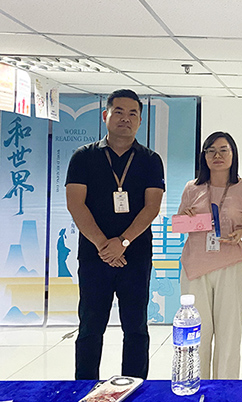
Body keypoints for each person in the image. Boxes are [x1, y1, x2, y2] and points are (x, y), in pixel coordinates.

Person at [66, 89, 165, 380]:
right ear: (105, 115)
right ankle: (84, 388)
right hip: (94, 256)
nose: (126, 118)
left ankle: (134, 388)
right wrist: (103, 245)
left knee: (136, 328)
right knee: (90, 327)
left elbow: (152, 207)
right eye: (119, 112)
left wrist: (122, 242)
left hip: (135, 255)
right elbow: (75, 203)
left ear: (140, 121)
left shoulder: (150, 160)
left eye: (133, 113)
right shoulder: (83, 157)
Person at [177, 132, 242, 380]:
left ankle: (225, 390)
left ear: (233, 155)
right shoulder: (192, 188)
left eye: (224, 150)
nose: (217, 155)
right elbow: (179, 224)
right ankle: (194, 386)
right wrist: (187, 217)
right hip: (195, 269)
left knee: (229, 336)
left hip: (230, 267)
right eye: (211, 150)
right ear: (204, 156)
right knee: (196, 336)